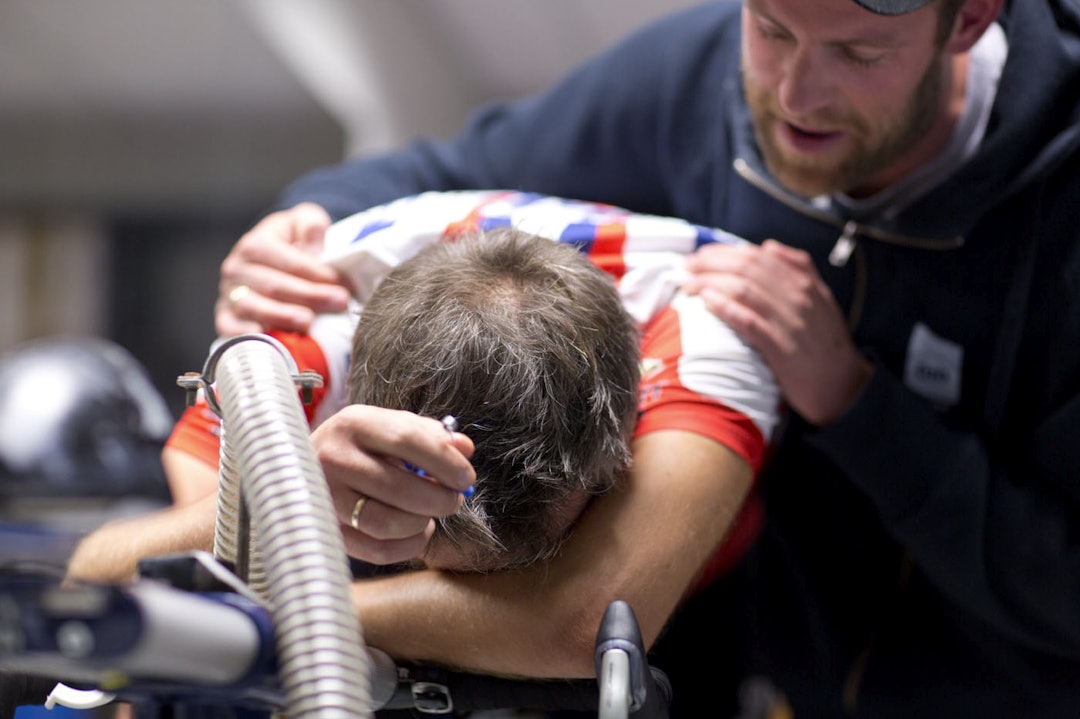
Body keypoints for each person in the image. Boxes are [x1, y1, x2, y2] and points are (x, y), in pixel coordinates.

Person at [213, 0, 1080, 715]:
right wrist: (305, 224)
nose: (796, 93)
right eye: (773, 30)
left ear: (968, 20)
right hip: (745, 675)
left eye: (859, 52)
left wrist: (856, 403)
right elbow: (454, 166)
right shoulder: (701, 78)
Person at [70, 191, 779, 594]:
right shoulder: (302, 335)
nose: (475, 590)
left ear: (622, 438)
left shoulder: (713, 324)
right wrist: (290, 487)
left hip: (730, 573)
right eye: (435, 532)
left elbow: (575, 623)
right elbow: (101, 573)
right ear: (356, 406)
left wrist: (299, 609)